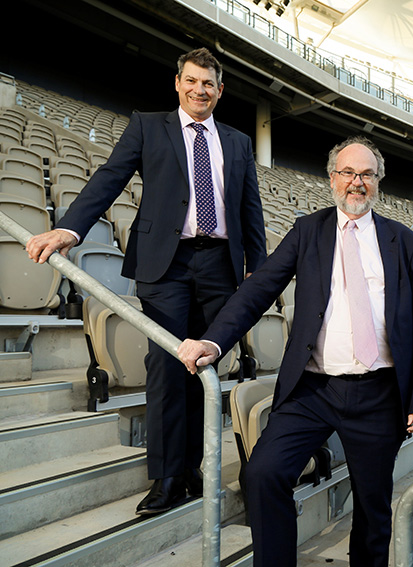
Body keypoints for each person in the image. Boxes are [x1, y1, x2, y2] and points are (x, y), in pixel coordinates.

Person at [177, 136, 413, 567]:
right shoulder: (307, 231)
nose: (357, 183)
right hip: (312, 391)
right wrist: (213, 339)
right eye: (348, 173)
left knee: (373, 508)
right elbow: (259, 289)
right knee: (263, 474)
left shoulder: (404, 242)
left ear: (379, 182)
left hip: (380, 395)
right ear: (332, 177)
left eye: (367, 174)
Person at [25, 48, 266, 515]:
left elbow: (249, 207)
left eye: (209, 84)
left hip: (221, 265)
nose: (200, 90)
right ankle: (167, 475)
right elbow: (110, 178)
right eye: (192, 81)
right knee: (167, 364)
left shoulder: (236, 141)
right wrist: (71, 228)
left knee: (206, 367)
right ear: (178, 83)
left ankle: (194, 466)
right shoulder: (148, 125)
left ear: (220, 90)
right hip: (166, 264)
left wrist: (257, 265)